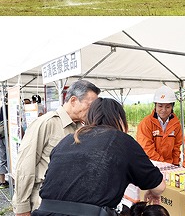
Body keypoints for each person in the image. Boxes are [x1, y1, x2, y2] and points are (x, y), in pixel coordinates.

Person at [32, 98, 165, 216]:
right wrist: (153, 192)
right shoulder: (121, 140)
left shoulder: (67, 140)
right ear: (119, 119)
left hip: (43, 211)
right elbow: (159, 186)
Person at [12, 80, 101, 216]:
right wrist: (22, 206)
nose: (93, 110)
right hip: (45, 201)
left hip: (71, 202)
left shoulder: (81, 128)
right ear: (73, 100)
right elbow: (25, 166)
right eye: (90, 105)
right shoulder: (47, 123)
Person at [136, 85, 183, 165]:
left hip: (169, 166)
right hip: (150, 165)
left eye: (167, 107)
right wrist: (163, 164)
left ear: (172, 107)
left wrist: (175, 165)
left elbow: (176, 147)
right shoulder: (146, 123)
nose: (163, 110)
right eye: (160, 106)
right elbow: (146, 148)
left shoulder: (176, 124)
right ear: (155, 105)